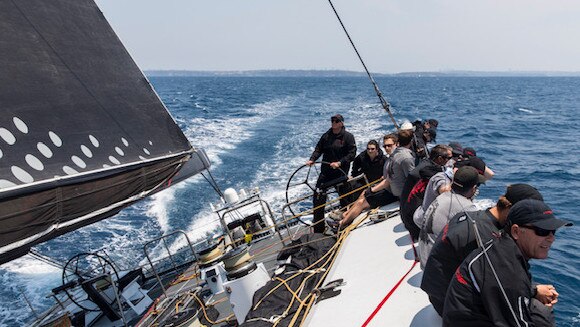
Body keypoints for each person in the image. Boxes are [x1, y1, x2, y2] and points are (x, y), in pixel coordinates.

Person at [443, 199, 572, 326]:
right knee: (542, 313)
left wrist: (533, 290)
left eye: (553, 231)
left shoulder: (501, 248)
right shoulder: (508, 272)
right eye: (542, 231)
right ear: (516, 231)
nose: (552, 238)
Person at [421, 184, 544, 315]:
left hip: (437, 292)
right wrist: (534, 291)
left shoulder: (469, 215)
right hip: (446, 304)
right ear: (510, 209)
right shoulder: (485, 238)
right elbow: (497, 284)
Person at [337, 129, 415, 228]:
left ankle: (341, 224)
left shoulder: (399, 158)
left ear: (397, 144)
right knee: (363, 193)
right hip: (389, 188)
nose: (387, 148)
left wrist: (372, 189)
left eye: (389, 145)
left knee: (362, 202)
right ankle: (346, 214)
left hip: (393, 193)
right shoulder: (391, 158)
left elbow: (393, 180)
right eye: (385, 146)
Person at [418, 166, 485, 268]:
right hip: (435, 267)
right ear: (474, 189)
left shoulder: (442, 196)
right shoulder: (466, 207)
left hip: (424, 258)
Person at [306, 114, 356, 233]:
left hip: (340, 173)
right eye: (332, 120)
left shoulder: (348, 137)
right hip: (326, 173)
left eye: (336, 121)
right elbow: (318, 149)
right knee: (318, 199)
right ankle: (318, 229)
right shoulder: (326, 136)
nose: (333, 122)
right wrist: (312, 159)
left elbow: (352, 154)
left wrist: (339, 162)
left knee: (345, 199)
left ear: (341, 123)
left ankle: (346, 223)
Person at [399, 144, 452, 241]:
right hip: (413, 224)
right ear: (440, 159)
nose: (450, 161)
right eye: (449, 158)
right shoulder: (430, 174)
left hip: (406, 213)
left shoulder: (425, 165)